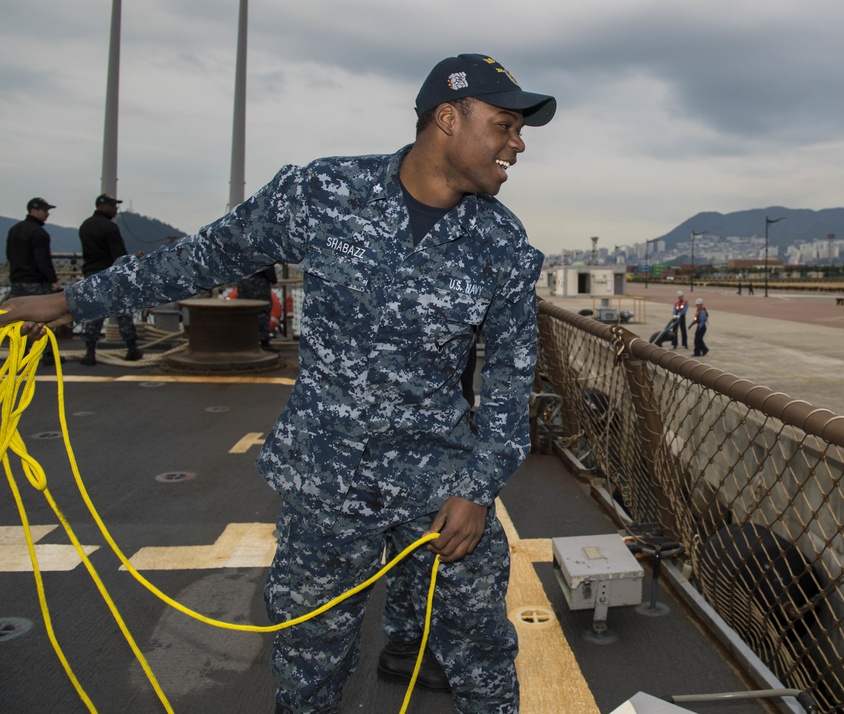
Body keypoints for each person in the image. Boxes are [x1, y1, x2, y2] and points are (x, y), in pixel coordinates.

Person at [0, 53, 555, 713]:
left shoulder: (503, 245)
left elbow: (510, 379)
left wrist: (478, 488)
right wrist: (75, 303)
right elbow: (205, 255)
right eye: (505, 124)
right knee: (308, 668)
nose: (517, 144)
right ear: (447, 117)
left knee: (484, 662)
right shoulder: (322, 192)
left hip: (441, 490)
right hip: (325, 484)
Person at [78, 193, 143, 364]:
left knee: (93, 313)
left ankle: (89, 352)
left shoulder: (85, 226)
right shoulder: (110, 227)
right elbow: (118, 255)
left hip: (91, 275)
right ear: (103, 206)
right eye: (113, 205)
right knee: (123, 312)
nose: (116, 209)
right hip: (109, 274)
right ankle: (131, 349)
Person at [5, 197, 61, 365]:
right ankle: (49, 355)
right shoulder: (38, 233)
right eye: (45, 210)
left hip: (17, 281)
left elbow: (9, 255)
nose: (47, 213)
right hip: (36, 282)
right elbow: (42, 260)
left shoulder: (14, 230)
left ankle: (20, 353)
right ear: (34, 211)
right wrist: (53, 281)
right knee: (45, 318)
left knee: (18, 319)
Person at [235, 265, 279, 352]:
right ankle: (264, 341)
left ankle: (245, 341)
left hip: (242, 280)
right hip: (258, 281)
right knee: (263, 310)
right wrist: (273, 278)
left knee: (245, 310)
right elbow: (267, 262)